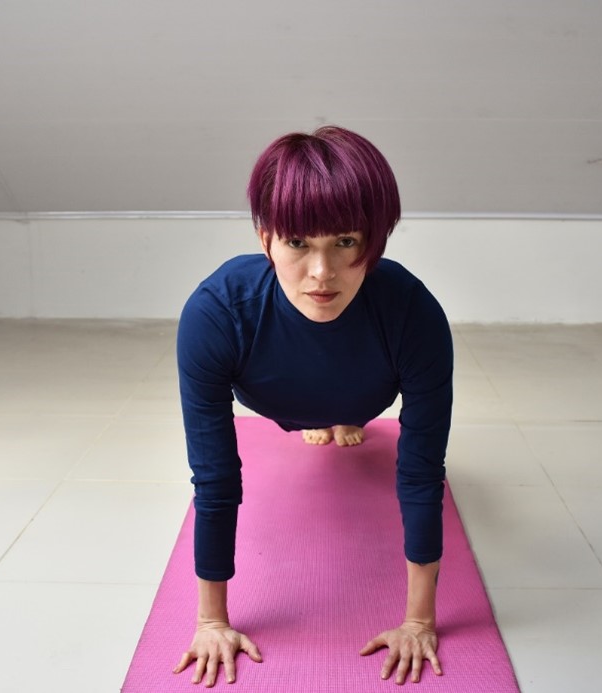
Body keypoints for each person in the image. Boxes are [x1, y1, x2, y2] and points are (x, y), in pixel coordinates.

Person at [173, 125, 453, 687]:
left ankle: (340, 417)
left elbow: (421, 473)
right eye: (298, 244)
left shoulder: (414, 313)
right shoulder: (216, 313)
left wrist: (418, 620)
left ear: (373, 241)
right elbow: (216, 476)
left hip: (365, 395)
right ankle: (322, 419)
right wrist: (211, 620)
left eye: (346, 242)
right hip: (273, 394)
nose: (322, 274)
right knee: (293, 426)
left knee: (352, 419)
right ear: (265, 238)